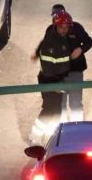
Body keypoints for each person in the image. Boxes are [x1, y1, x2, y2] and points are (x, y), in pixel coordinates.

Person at [29, 10, 73, 145]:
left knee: (57, 110)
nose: (65, 29)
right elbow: (48, 68)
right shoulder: (51, 43)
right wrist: (56, 86)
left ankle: (50, 137)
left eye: (66, 27)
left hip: (58, 82)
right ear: (56, 26)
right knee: (49, 109)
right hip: (50, 82)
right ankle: (35, 137)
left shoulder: (61, 38)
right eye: (62, 27)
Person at [48, 4, 92, 122]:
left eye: (66, 27)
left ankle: (77, 128)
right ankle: (62, 129)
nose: (63, 29)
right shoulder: (50, 31)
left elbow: (89, 41)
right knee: (60, 104)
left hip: (76, 72)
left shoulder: (77, 28)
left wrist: (80, 50)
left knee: (75, 103)